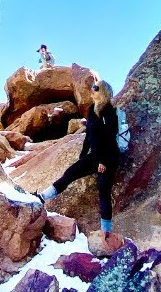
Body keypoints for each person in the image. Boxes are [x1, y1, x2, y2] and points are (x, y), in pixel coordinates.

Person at [35, 79, 121, 232]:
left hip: (107, 159)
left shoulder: (109, 112)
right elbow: (89, 136)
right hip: (93, 156)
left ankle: (106, 232)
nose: (92, 89)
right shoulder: (91, 110)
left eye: (95, 87)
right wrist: (83, 155)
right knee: (69, 173)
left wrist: (104, 161)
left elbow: (109, 137)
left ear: (102, 92)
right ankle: (41, 197)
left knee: (103, 191)